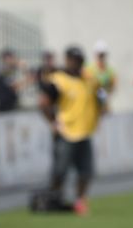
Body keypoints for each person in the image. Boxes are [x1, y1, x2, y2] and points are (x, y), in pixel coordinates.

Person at [41, 45, 101, 216]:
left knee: (86, 171)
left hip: (85, 131)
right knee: (60, 171)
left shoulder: (88, 79)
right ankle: (54, 200)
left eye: (79, 60)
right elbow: (44, 102)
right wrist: (53, 123)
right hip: (66, 132)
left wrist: (100, 111)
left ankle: (80, 200)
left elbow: (101, 95)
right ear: (67, 60)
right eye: (74, 60)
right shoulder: (59, 80)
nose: (77, 64)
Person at [85, 41, 116, 112]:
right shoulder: (89, 69)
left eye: (103, 55)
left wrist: (106, 95)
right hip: (91, 105)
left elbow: (113, 86)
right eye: (100, 55)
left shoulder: (110, 71)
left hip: (104, 105)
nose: (101, 57)